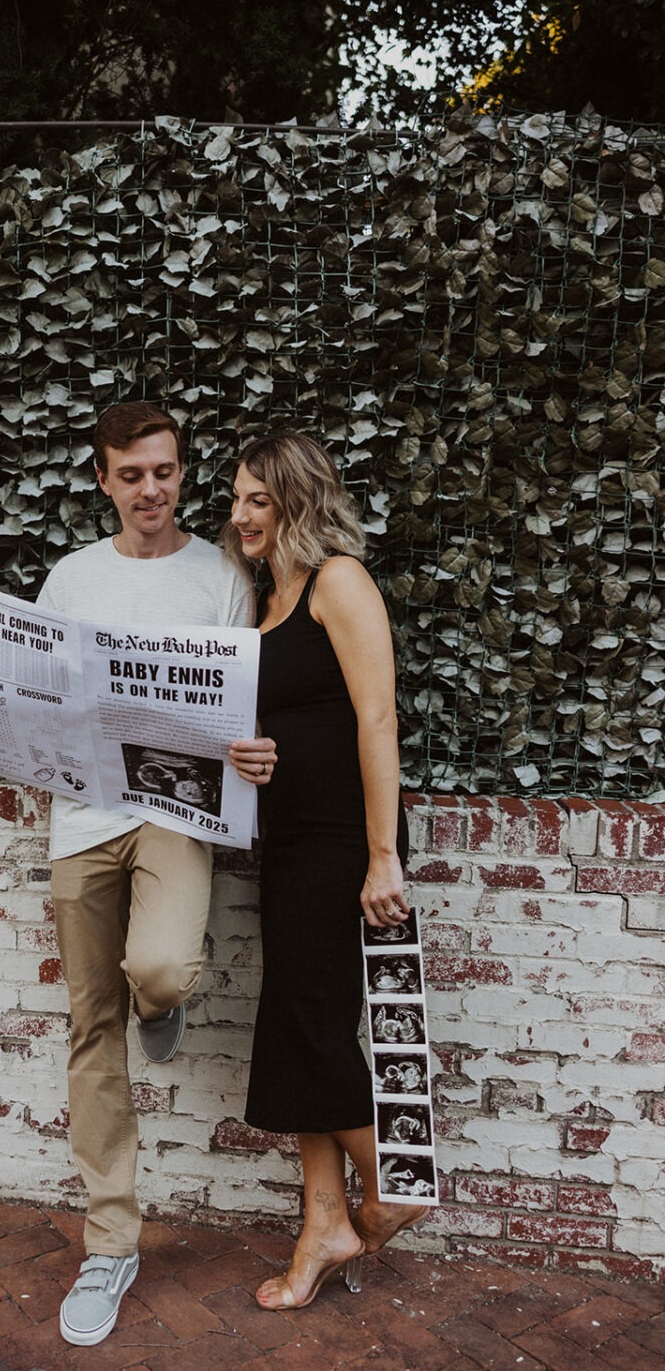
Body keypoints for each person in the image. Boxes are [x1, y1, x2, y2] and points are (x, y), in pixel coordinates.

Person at [0, 401, 274, 1346]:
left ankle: (165, 1004)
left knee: (157, 970)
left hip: (175, 818)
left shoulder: (223, 576)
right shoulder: (71, 577)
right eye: (132, 475)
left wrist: (253, 755)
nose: (151, 490)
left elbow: (246, 704)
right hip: (80, 824)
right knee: (92, 1028)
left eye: (164, 471)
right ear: (103, 480)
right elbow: (22, 702)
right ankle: (111, 1244)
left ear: (180, 471)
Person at [226, 431, 427, 1311]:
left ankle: (395, 1181)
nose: (239, 516)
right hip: (289, 836)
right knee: (295, 1020)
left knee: (309, 1020)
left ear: (297, 502)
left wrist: (383, 855)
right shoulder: (266, 601)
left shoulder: (340, 581)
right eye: (235, 499)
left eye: (258, 501)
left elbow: (377, 719)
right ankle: (324, 1224)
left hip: (346, 837)